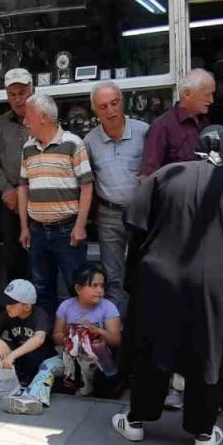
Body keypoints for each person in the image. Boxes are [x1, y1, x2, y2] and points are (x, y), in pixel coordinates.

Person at [113, 128, 223, 445]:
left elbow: (134, 227)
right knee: (208, 352)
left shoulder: (164, 175)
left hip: (159, 277)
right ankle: (203, 433)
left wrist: (132, 280)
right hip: (213, 284)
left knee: (152, 346)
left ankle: (136, 421)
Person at [18, 93, 94, 316]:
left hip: (67, 229)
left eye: (28, 116)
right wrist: (24, 226)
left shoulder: (73, 143)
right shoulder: (28, 148)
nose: (25, 121)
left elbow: (87, 186)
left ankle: (81, 335)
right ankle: (47, 334)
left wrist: (80, 226)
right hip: (37, 230)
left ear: (43, 117)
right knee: (41, 289)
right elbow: (23, 187)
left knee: (77, 286)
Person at [83, 81, 148, 312]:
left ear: (122, 102)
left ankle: (144, 321)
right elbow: (87, 181)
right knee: (112, 276)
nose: (110, 110)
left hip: (141, 213)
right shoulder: (90, 141)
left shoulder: (144, 131)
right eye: (103, 106)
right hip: (108, 214)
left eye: (114, 103)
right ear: (95, 110)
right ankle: (117, 325)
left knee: (145, 269)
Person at [0, 68, 34, 282]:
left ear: (32, 90)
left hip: (40, 197)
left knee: (40, 254)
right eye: (12, 94)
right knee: (13, 255)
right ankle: (18, 300)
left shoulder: (43, 118)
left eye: (22, 93)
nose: (17, 99)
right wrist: (7, 190)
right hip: (10, 198)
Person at [0, 279, 59, 415]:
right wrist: (1, 343)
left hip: (39, 356)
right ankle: (14, 380)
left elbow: (39, 338)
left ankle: (29, 384)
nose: (7, 307)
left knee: (32, 352)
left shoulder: (39, 315)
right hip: (19, 356)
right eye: (6, 303)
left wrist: (13, 355)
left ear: (27, 306)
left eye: (11, 304)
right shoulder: (8, 314)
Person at [51, 263, 123, 398]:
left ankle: (87, 391)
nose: (100, 291)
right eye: (94, 286)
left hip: (98, 359)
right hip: (70, 356)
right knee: (47, 368)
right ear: (78, 288)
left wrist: (98, 331)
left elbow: (117, 340)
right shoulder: (66, 306)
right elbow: (56, 335)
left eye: (102, 286)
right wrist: (70, 337)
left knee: (98, 377)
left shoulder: (108, 307)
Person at [140, 68, 214, 176]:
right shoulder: (162, 126)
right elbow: (148, 175)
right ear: (187, 94)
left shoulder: (206, 123)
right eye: (207, 95)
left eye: (212, 94)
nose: (211, 100)